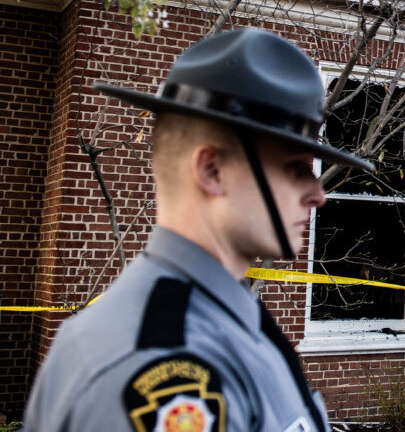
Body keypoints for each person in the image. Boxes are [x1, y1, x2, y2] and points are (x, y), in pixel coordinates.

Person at [24, 28, 372, 432]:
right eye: (293, 168)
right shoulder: (164, 368)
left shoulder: (227, 321)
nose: (317, 194)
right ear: (212, 170)